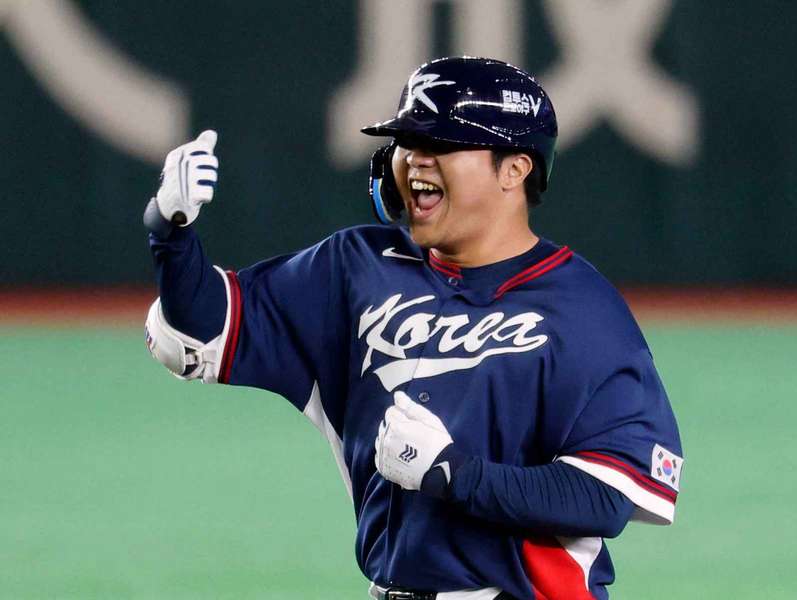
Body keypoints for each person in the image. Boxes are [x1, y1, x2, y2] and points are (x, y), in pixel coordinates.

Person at [143, 56, 684, 600]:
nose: (416, 161)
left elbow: (609, 495)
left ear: (515, 169)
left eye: (442, 145)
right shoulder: (354, 269)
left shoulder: (582, 309)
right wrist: (171, 232)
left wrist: (454, 474)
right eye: (407, 142)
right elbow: (202, 328)